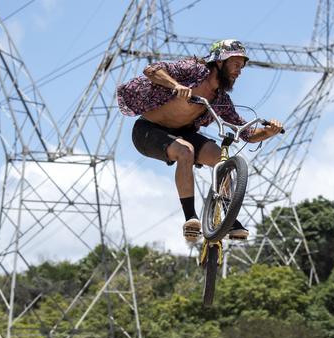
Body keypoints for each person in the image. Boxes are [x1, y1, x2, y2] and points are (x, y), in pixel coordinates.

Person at [116, 39, 283, 241]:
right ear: (220, 62)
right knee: (186, 151)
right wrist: (176, 85)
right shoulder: (192, 70)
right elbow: (152, 70)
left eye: (242, 67)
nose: (239, 72)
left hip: (182, 133)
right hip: (148, 131)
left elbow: (247, 133)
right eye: (235, 65)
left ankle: (228, 218)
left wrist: (268, 132)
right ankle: (190, 219)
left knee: (220, 158)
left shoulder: (221, 100)